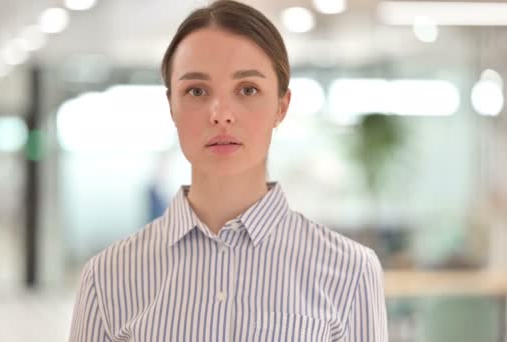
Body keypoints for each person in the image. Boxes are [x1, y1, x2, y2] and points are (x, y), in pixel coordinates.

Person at [69, 1, 388, 341]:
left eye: (247, 89)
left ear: (281, 106)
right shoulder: (107, 277)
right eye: (196, 91)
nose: (221, 114)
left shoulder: (350, 272)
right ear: (171, 107)